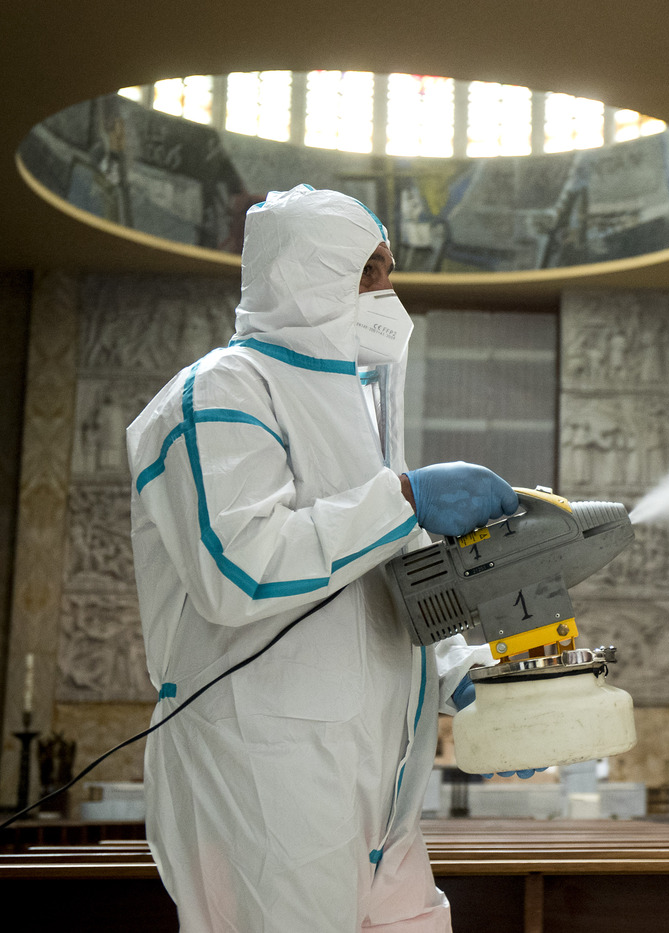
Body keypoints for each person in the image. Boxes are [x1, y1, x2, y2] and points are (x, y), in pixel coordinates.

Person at [127, 185, 523, 932]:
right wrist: (403, 497)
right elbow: (238, 568)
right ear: (305, 271)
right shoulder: (218, 393)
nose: (387, 291)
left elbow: (382, 581)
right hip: (267, 772)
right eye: (368, 269)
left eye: (389, 268)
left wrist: (460, 678)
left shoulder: (359, 410)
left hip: (379, 778)